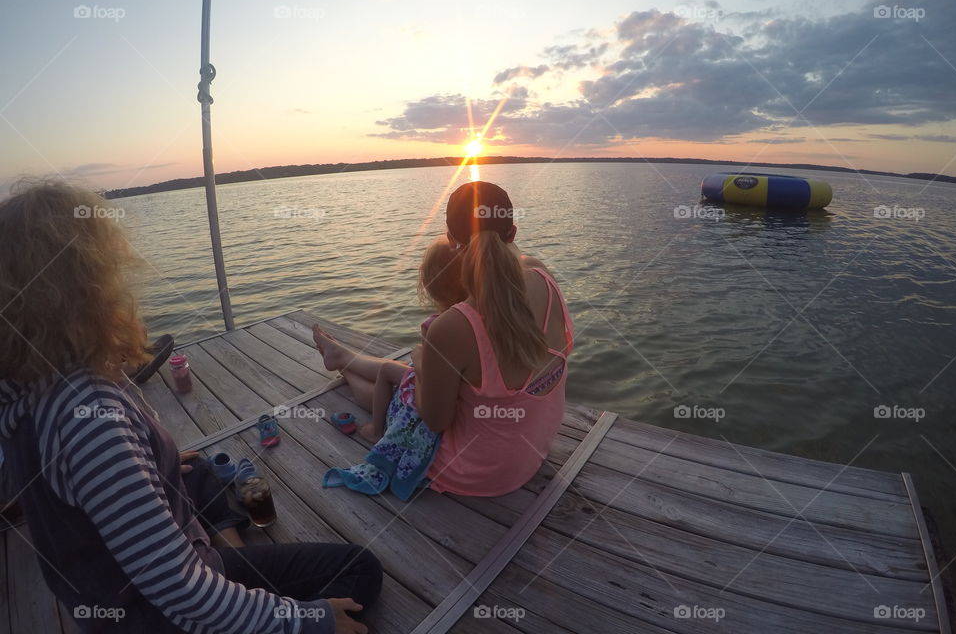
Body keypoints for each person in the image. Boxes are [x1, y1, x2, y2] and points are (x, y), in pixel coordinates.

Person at [0, 180, 381, 634]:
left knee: (195, 471)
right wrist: (307, 621)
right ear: (85, 283)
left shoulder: (26, 391)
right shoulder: (89, 420)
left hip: (107, 598)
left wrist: (148, 467)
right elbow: (182, 590)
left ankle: (240, 573)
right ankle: (246, 594)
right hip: (162, 615)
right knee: (360, 569)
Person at [315, 181, 573, 497]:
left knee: (405, 396)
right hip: (533, 451)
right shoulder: (544, 276)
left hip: (478, 472)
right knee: (413, 373)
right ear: (513, 232)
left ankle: (345, 367)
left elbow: (434, 422)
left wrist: (422, 361)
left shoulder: (454, 325)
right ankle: (344, 358)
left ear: (451, 239)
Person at [319, 237, 465, 500]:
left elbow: (428, 387)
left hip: (431, 411)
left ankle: (372, 422)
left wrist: (419, 358)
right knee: (400, 372)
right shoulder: (473, 316)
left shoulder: (439, 326)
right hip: (447, 393)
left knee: (390, 382)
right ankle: (342, 359)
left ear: (428, 285)